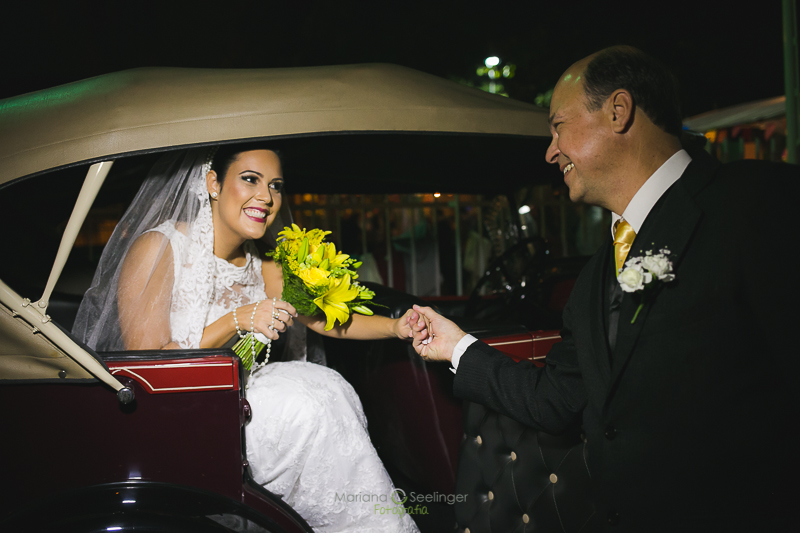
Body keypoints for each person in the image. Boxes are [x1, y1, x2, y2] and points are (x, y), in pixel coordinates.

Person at [410, 46, 799, 531]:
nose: (550, 151)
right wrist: (457, 346)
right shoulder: (595, 277)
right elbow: (557, 399)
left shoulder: (762, 204)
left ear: (618, 111)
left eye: (558, 126)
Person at [73, 145, 420, 533]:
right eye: (250, 180)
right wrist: (235, 321)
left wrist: (396, 327)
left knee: (328, 388)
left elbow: (320, 319)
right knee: (308, 406)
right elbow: (149, 368)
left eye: (276, 186)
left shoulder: (265, 262)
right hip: (182, 418)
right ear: (213, 184)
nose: (267, 198)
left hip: (245, 405)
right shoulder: (159, 247)